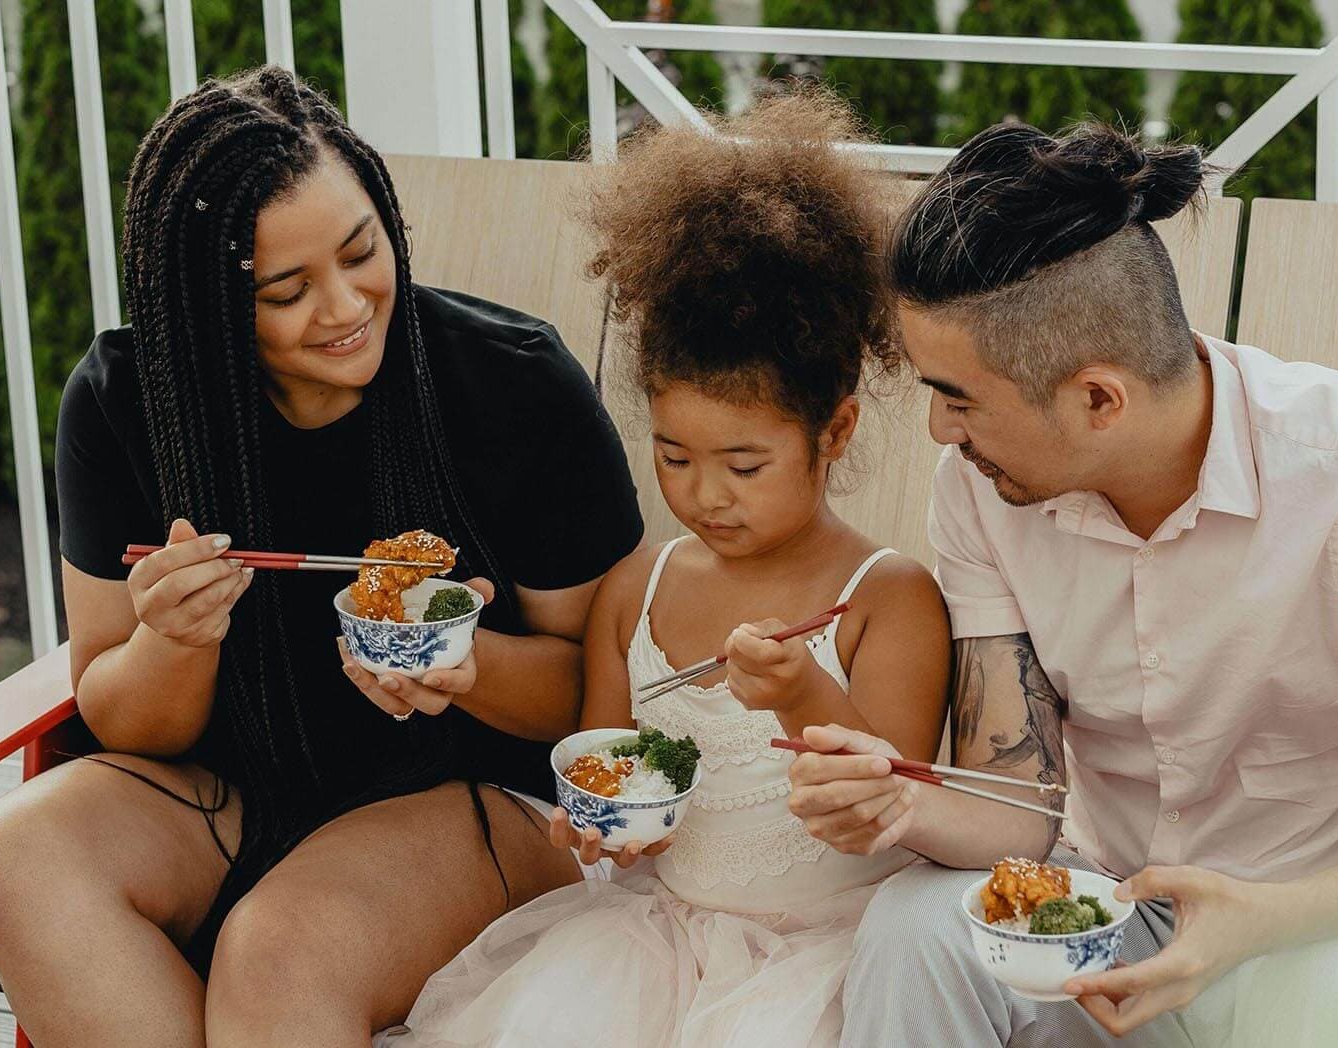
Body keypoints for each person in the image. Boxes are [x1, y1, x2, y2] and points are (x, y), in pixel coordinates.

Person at [0, 67, 643, 1048]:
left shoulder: (512, 386)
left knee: (276, 949)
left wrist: (469, 664)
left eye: (362, 250)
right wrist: (173, 639)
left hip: (482, 799)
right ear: (202, 309)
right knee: (14, 853)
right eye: (287, 291)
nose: (343, 306)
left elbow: (601, 695)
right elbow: (114, 714)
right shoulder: (121, 405)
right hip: (237, 792)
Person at [787, 122, 1338, 1048]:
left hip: (1316, 923)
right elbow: (1015, 804)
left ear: (1099, 399)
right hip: (1100, 904)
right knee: (916, 930)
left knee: (1325, 995)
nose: (941, 432)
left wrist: (1268, 920)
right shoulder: (981, 493)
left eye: (960, 397)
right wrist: (901, 801)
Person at [394, 93, 952, 1048]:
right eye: (673, 456)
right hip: (648, 939)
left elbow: (891, 805)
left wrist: (804, 692)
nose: (705, 496)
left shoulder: (885, 600)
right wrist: (603, 826)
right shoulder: (637, 590)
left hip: (824, 955)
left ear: (837, 432)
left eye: (745, 466)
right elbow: (603, 772)